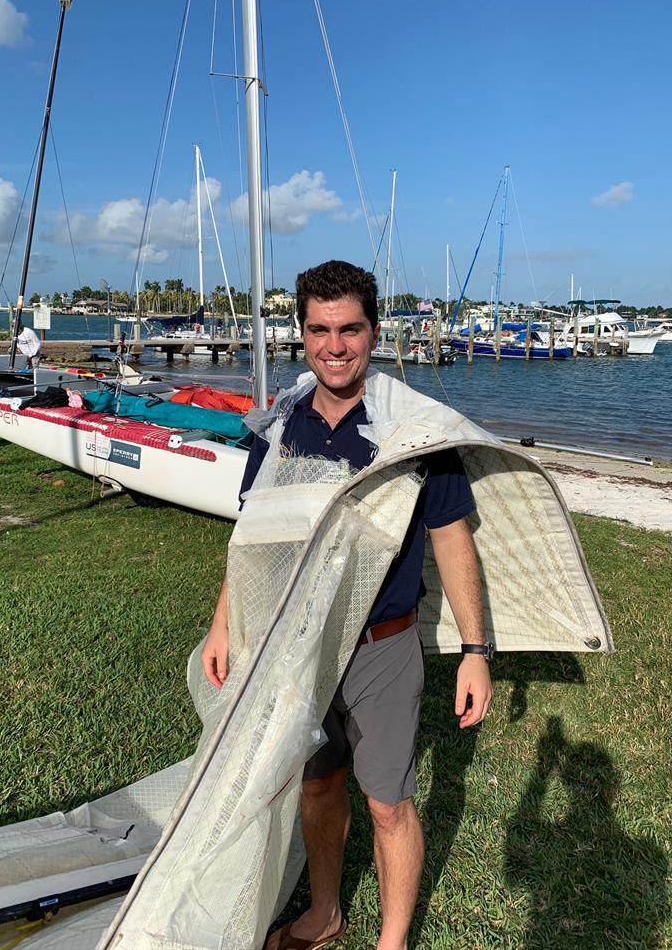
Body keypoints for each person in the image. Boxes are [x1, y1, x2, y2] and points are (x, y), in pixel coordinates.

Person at [202, 261, 492, 950]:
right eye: (320, 329)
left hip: (381, 646)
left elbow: (454, 542)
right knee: (317, 786)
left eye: (350, 329)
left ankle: (392, 943)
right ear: (301, 332)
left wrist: (475, 652)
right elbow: (254, 540)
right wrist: (222, 625)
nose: (335, 344)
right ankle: (326, 912)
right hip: (300, 642)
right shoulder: (279, 428)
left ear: (373, 331)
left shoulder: (414, 430)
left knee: (388, 803)